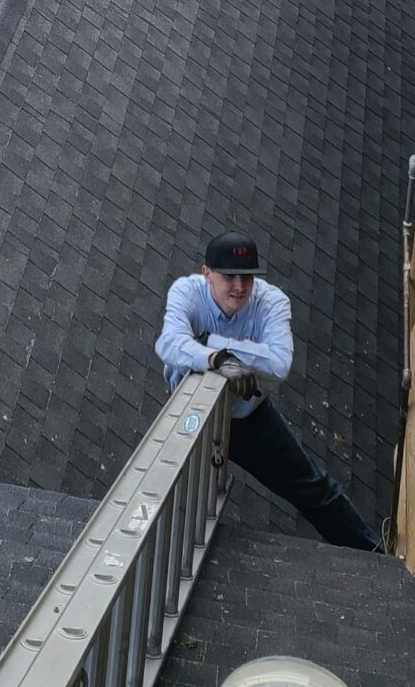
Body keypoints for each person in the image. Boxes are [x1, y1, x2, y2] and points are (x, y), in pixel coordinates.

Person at [155, 230, 382, 552]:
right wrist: (217, 359)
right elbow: (169, 344)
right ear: (207, 274)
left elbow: (278, 364)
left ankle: (373, 554)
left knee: (312, 488)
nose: (239, 286)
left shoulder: (270, 301)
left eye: (247, 277)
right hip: (194, 415)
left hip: (247, 417)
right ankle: (172, 560)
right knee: (176, 496)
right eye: (229, 276)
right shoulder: (187, 292)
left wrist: (210, 343)